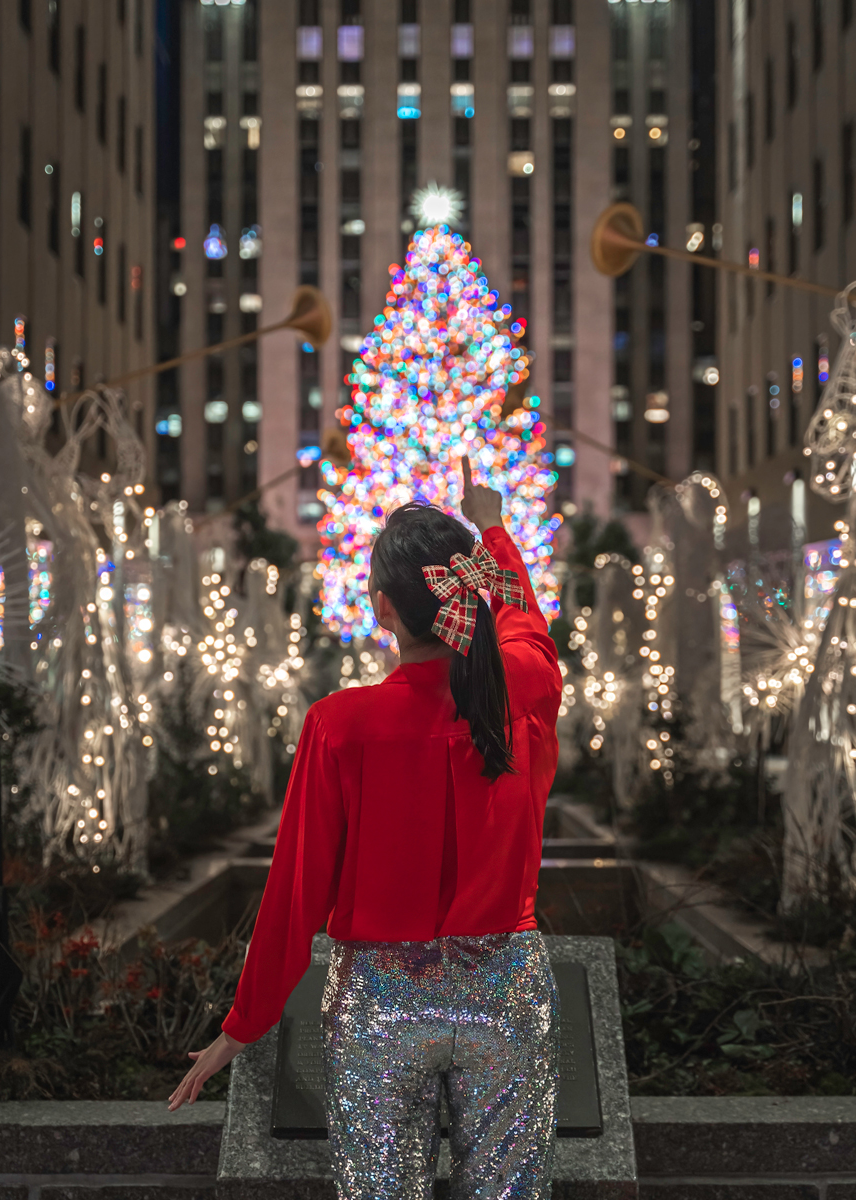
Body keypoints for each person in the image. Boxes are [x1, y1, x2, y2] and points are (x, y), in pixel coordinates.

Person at [169, 456, 563, 1199]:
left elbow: (295, 891)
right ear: (473, 598)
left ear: (382, 608)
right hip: (506, 989)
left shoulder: (339, 726)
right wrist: (494, 527)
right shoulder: (523, 692)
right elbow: (527, 629)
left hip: (381, 1007)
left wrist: (243, 1024)